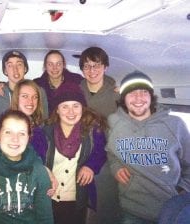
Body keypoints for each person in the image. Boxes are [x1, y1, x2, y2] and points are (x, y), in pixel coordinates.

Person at [106, 71, 190, 223]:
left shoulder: (175, 124)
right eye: (132, 93)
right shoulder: (114, 122)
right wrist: (115, 166)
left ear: (151, 96)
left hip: (172, 209)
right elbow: (110, 153)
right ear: (123, 98)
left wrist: (183, 191)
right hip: (132, 210)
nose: (138, 98)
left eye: (144, 92)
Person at [40, 83, 107, 224]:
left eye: (76, 106)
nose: (71, 112)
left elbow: (101, 152)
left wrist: (90, 166)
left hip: (77, 200)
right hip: (47, 198)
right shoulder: (45, 131)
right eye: (65, 106)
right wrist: (43, 169)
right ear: (57, 110)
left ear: (82, 108)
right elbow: (33, 156)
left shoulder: (92, 131)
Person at [0, 110, 54, 224]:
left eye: (21, 133)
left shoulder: (39, 171)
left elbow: (45, 218)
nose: (15, 139)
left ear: (29, 137)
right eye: (8, 132)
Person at [78, 46, 121, 224]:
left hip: (108, 154)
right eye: (87, 66)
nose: (92, 70)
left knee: (106, 202)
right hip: (80, 150)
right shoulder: (76, 90)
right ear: (82, 69)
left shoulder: (117, 94)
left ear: (106, 67)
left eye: (97, 65)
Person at [0, 50, 48, 135]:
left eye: (19, 64)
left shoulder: (39, 91)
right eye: (10, 65)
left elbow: (44, 122)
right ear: (5, 70)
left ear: (25, 68)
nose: (15, 69)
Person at [34, 49, 83, 114]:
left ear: (64, 65)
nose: (55, 68)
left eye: (58, 64)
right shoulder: (37, 84)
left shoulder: (77, 80)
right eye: (50, 64)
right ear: (45, 66)